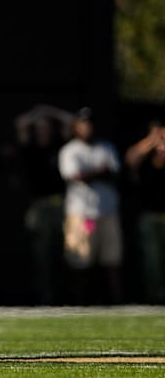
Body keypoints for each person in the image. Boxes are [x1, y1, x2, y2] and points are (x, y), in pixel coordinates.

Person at [58, 107, 123, 305]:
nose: (87, 127)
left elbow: (114, 173)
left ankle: (116, 303)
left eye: (90, 123)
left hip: (107, 213)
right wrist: (99, 172)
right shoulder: (70, 150)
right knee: (81, 260)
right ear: (76, 127)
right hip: (83, 216)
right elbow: (76, 177)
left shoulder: (106, 147)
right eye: (83, 123)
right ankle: (79, 304)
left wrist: (92, 174)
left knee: (111, 260)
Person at [14, 104, 74, 305]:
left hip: (61, 206)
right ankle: (44, 297)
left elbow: (69, 121)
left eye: (46, 127)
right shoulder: (29, 149)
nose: (43, 131)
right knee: (41, 253)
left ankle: (68, 296)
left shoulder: (59, 145)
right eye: (39, 128)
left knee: (66, 250)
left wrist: (50, 112)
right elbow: (20, 123)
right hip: (39, 208)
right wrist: (38, 113)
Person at [124, 119, 165, 304]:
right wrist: (152, 139)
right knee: (152, 261)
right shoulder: (144, 160)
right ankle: (155, 299)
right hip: (150, 217)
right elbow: (131, 158)